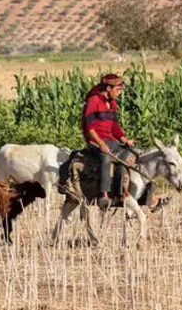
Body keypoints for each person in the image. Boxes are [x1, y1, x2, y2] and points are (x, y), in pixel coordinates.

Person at [59, 73, 166, 211]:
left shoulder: (112, 103)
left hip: (112, 140)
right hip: (95, 141)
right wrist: (101, 144)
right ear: (108, 88)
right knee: (106, 158)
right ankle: (104, 197)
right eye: (117, 90)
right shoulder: (94, 101)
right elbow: (89, 128)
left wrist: (124, 139)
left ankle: (149, 198)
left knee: (138, 156)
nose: (119, 93)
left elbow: (114, 126)